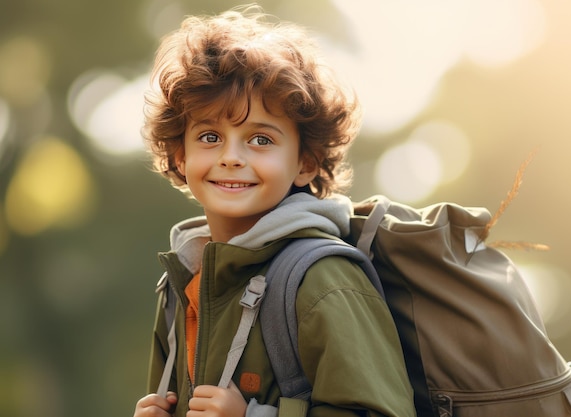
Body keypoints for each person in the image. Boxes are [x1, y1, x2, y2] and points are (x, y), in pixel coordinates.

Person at [133, 6, 416, 417]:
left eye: (261, 140)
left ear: (305, 162)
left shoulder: (323, 279)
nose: (231, 157)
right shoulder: (184, 282)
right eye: (210, 136)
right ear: (180, 156)